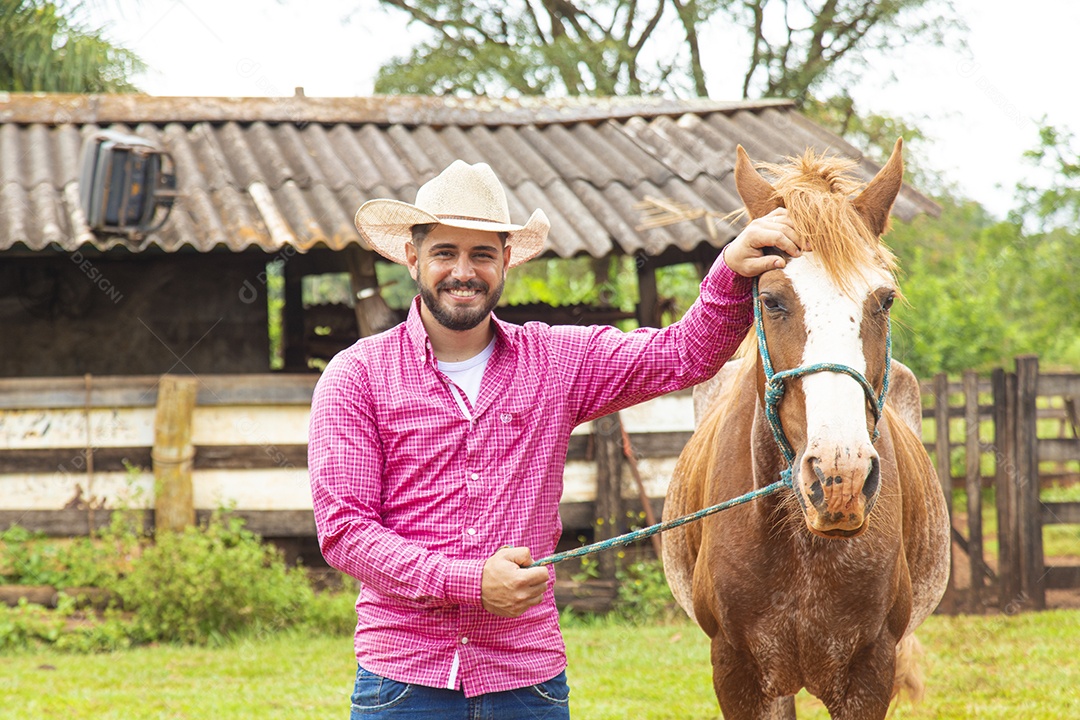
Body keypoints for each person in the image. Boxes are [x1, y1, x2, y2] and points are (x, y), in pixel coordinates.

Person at [308, 159, 802, 719]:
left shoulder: (557, 361)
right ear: (412, 257)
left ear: (507, 261)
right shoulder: (356, 376)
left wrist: (731, 271)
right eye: (445, 252)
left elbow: (682, 354)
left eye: (482, 254)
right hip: (403, 682)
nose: (463, 271)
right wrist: (469, 582)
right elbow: (345, 531)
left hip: (526, 681)